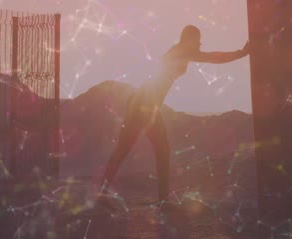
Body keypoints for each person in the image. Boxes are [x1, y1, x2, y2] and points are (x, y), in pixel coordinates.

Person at [98, 25, 250, 204]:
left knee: (136, 150)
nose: (200, 44)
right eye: (198, 40)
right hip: (144, 105)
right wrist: (241, 53)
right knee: (148, 150)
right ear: (189, 39)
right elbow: (213, 57)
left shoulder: (180, 50)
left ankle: (113, 195)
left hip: (144, 104)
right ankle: (160, 200)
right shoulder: (183, 51)